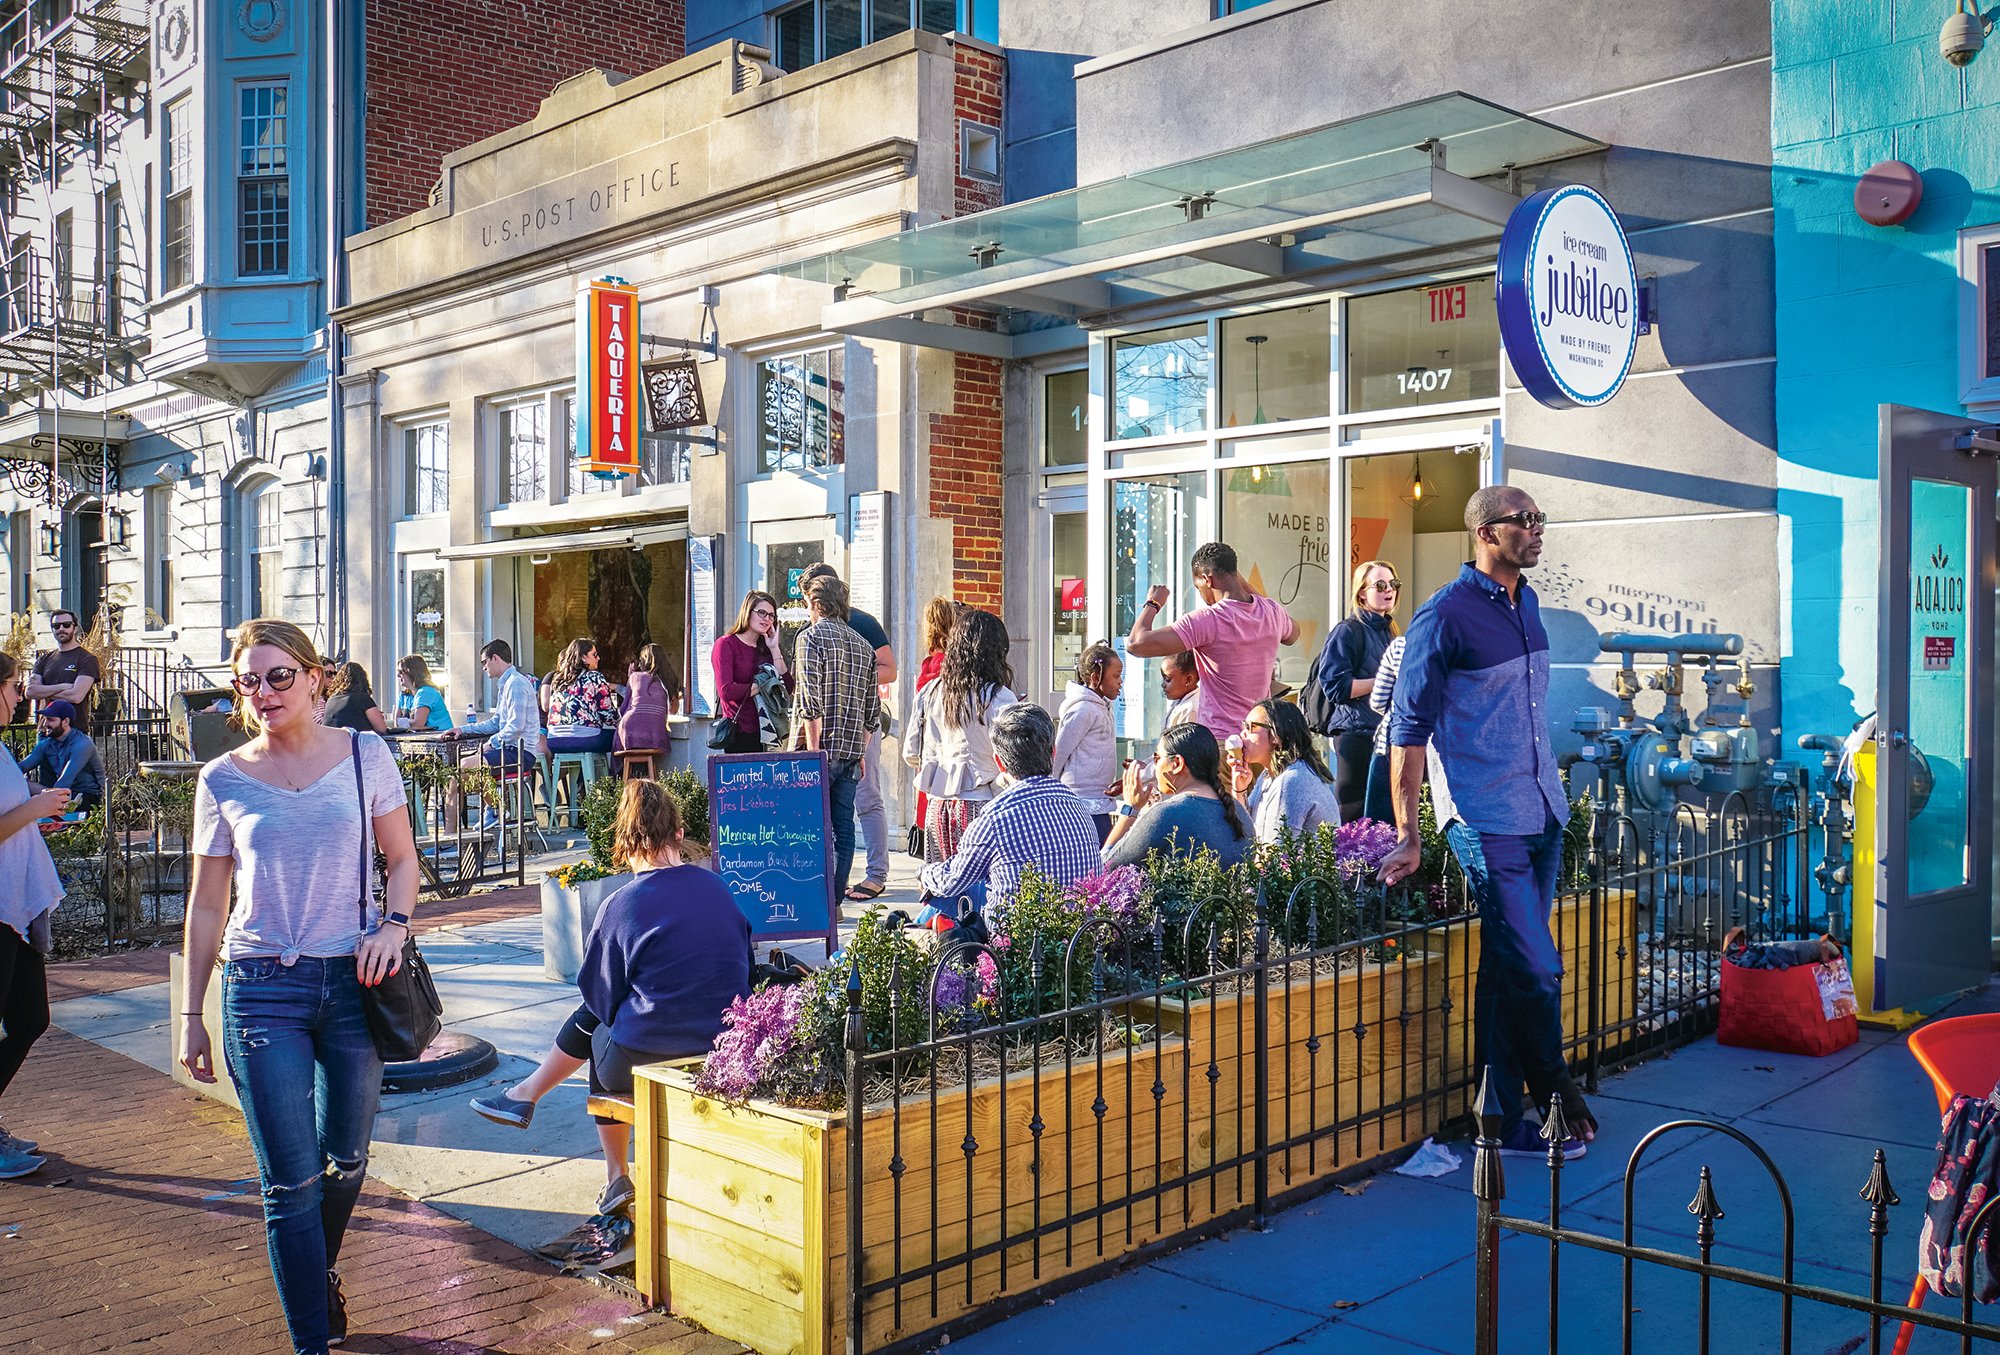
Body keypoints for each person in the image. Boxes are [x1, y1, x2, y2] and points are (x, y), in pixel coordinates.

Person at [178, 618, 421, 1355]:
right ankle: (311, 1341)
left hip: (354, 979)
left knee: (346, 1158)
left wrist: (394, 924)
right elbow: (208, 902)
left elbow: (403, 861)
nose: (264, 690)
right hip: (259, 988)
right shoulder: (220, 778)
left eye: (280, 674)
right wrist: (192, 1012)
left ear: (317, 678)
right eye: (249, 679)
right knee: (289, 1184)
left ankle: (317, 1271)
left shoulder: (365, 754)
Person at [1380, 486, 1595, 1162]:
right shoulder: (1443, 617)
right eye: (1524, 521)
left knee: (1508, 965)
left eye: (1540, 518)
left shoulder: (1527, 604)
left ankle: (1494, 1120)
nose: (1537, 530)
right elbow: (1407, 731)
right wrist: (1410, 830)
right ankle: (1556, 1092)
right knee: (1536, 964)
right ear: (1485, 532)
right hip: (1483, 817)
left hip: (1542, 812)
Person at [468, 781, 750, 1261]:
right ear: (679, 834)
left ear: (624, 845)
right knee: (606, 1020)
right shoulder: (719, 888)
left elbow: (597, 995)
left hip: (648, 1059)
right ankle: (524, 1097)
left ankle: (613, 1171)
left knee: (600, 1028)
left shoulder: (621, 905)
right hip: (722, 1050)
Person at [918, 702, 1100, 917]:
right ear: (1053, 752)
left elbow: (952, 881)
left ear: (1000, 763)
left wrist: (924, 874)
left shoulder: (995, 818)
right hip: (1081, 932)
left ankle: (906, 935)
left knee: (946, 894)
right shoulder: (1078, 805)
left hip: (1016, 938)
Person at [0, 652, 72, 1180]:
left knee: (30, 1018)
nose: (23, 695)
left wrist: (33, 817)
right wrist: (37, 806)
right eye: (15, 686)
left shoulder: (2, 748)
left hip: (17, 905)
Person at [1122, 541, 1298, 740]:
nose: (1202, 595)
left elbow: (1136, 644)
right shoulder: (1271, 611)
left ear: (1207, 579)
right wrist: (1247, 588)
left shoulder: (1208, 620)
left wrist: (1153, 603)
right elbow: (1293, 634)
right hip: (1260, 741)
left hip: (1221, 741)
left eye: (1198, 587)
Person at [801, 563, 894, 902]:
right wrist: (860, 748)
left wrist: (814, 751)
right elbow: (873, 711)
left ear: (816, 600)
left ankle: (825, 898)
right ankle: (835, 900)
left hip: (824, 746)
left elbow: (810, 702)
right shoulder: (859, 642)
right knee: (843, 828)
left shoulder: (810, 638)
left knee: (821, 824)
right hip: (854, 744)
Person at [904, 608, 1016, 866]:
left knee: (941, 888)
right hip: (983, 805)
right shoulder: (998, 696)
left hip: (936, 808)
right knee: (981, 892)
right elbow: (1013, 761)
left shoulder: (930, 691)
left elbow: (911, 753)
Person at [1310, 560, 1400, 822]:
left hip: (1384, 735)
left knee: (1384, 816)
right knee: (1353, 815)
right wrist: (1384, 680)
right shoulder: (1348, 630)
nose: (1389, 590)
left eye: (1394, 584)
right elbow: (1336, 686)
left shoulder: (1390, 632)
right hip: (1355, 735)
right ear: (1362, 592)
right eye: (1380, 585)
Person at [1102, 721, 1251, 870]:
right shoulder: (1238, 810)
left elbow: (1104, 866)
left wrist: (1130, 809)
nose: (1155, 766)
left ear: (1177, 763)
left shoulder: (1166, 813)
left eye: (1157, 758)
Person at [1231, 700, 1340, 843]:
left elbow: (1274, 855)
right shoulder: (1267, 777)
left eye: (1250, 727)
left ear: (1276, 735)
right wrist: (1239, 789)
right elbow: (1245, 830)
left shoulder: (1292, 781)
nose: (1242, 734)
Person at [1053, 641, 1121, 843]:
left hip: (1099, 799)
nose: (1120, 682)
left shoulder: (1102, 706)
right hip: (1080, 802)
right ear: (1095, 678)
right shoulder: (1083, 709)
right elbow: (1060, 752)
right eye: (1116, 676)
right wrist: (1052, 788)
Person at [909, 596, 959, 856]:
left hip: (930, 747)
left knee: (931, 813)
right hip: (950, 746)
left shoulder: (930, 663)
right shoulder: (953, 663)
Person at [711, 591, 790, 755]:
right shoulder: (726, 644)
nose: (767, 619)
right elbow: (726, 691)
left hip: (769, 732)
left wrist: (774, 649)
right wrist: (764, 684)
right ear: (747, 612)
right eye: (762, 613)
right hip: (740, 732)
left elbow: (787, 687)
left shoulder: (766, 648)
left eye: (771, 616)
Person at [453, 639, 541, 772]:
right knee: (459, 768)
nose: (483, 668)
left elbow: (516, 726)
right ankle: (464, 793)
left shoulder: (515, 683)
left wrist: (491, 743)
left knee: (465, 765)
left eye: (484, 662)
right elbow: (496, 723)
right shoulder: (506, 684)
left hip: (520, 752)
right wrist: (463, 729)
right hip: (509, 749)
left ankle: (455, 793)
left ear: (495, 658)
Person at [18, 698, 105, 812]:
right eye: (44, 719)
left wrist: (42, 802)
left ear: (66, 722)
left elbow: (65, 780)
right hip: (62, 794)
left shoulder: (82, 744)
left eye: (50, 720)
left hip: (87, 796)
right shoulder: (47, 744)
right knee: (21, 782)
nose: (45, 724)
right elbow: (21, 767)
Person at [544, 637, 622, 756]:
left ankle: (583, 774)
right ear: (583, 657)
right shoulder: (594, 677)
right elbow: (608, 715)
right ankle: (618, 774)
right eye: (594, 655)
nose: (598, 658)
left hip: (554, 740)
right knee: (619, 738)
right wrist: (622, 722)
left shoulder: (557, 679)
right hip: (586, 739)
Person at [25, 609, 99, 731]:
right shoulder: (44, 659)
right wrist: (64, 686)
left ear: (74, 628)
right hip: (45, 730)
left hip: (74, 731)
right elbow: (30, 692)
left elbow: (76, 696)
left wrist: (45, 691)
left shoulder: (87, 659)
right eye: (56, 625)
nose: (61, 629)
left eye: (66, 625)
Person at [1363, 634, 1408, 823]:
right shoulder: (1465, 648)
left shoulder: (1400, 646)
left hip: (1393, 740)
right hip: (1440, 746)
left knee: (1381, 822)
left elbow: (1378, 700)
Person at [615, 642, 681, 759]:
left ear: (643, 661)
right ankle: (644, 774)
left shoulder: (635, 677)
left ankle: (618, 776)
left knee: (619, 739)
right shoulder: (669, 680)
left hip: (629, 731)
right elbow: (673, 712)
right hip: (655, 733)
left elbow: (624, 709)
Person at [321, 661, 388, 735]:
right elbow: (381, 729)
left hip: (330, 742)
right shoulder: (363, 698)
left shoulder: (331, 699)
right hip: (351, 743)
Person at [393, 654, 453, 732]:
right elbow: (396, 723)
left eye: (401, 672)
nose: (398, 675)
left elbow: (418, 723)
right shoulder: (404, 695)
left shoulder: (426, 692)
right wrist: (405, 722)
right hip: (421, 737)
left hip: (441, 737)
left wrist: (404, 722)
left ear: (412, 672)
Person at [1161, 649, 1201, 731]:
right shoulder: (1179, 703)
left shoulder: (1190, 709)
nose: (1163, 685)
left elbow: (1184, 743)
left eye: (1167, 679)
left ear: (1188, 680)